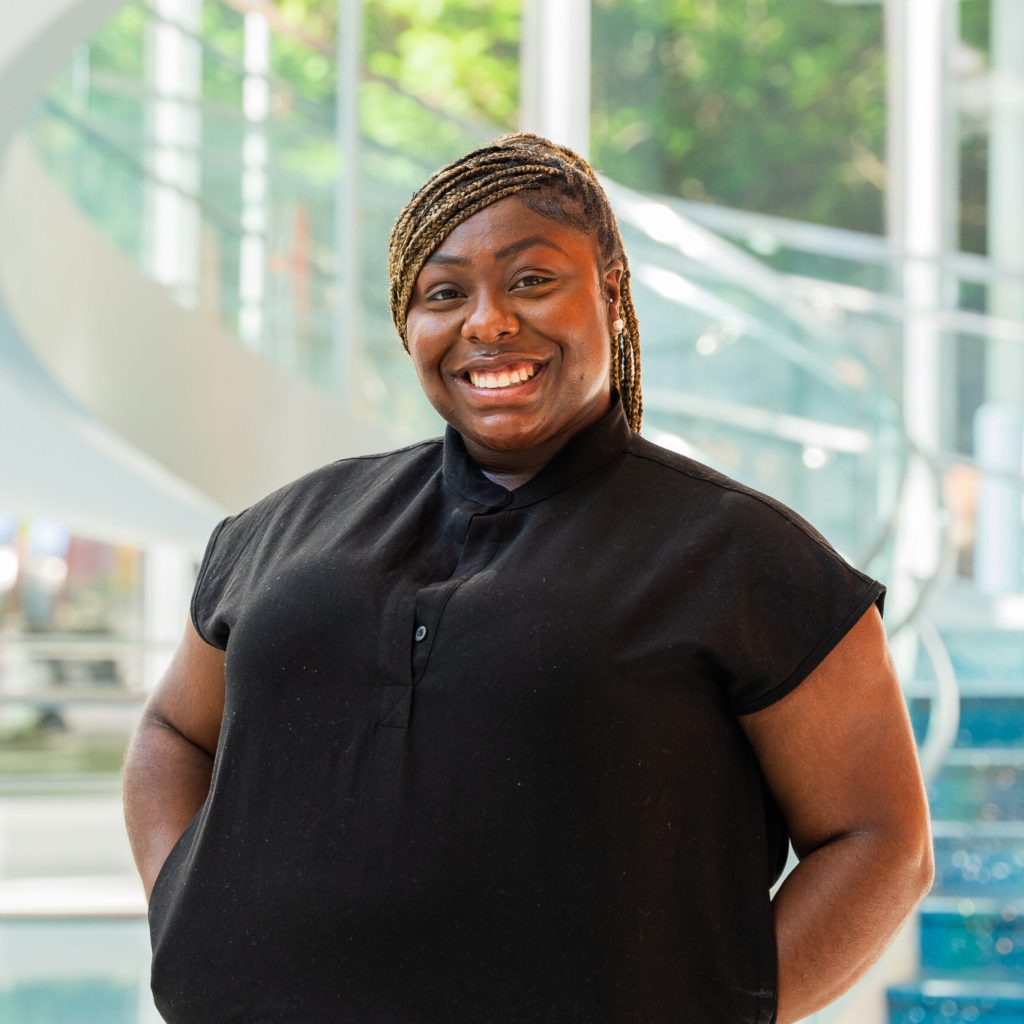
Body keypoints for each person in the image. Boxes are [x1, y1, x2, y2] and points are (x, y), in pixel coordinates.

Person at [123, 132, 933, 1024]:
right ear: (408, 325)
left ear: (611, 295)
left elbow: (882, 840)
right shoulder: (284, 526)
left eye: (532, 280)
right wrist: (185, 917)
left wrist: (723, 1010)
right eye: (444, 294)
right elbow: (171, 731)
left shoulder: (744, 556)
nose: (489, 322)